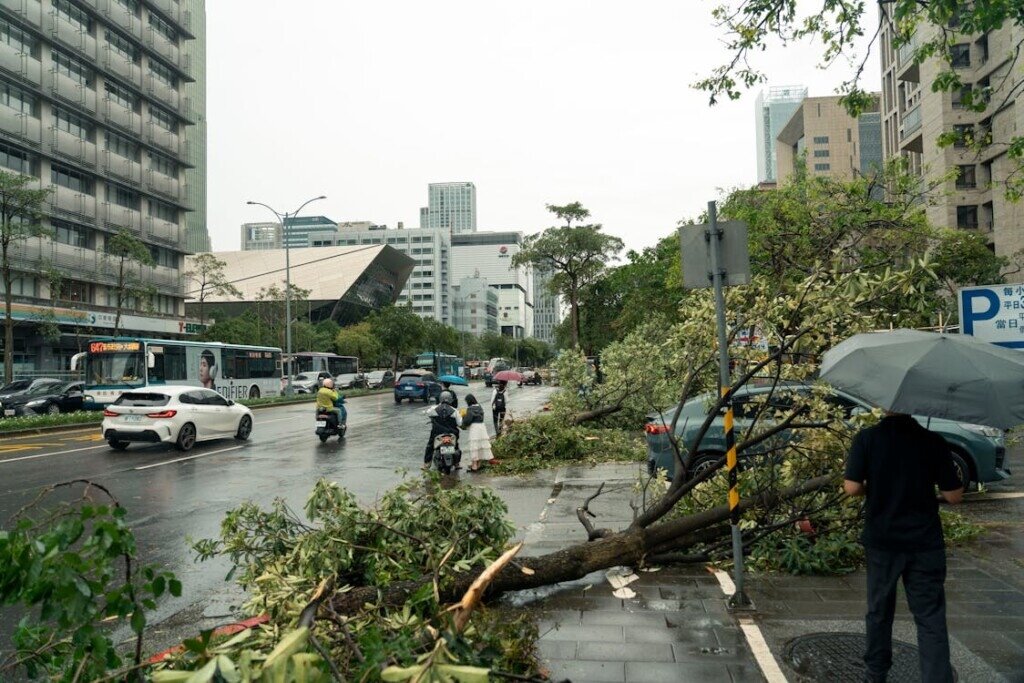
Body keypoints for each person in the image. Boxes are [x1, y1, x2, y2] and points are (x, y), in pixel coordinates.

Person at [844, 412, 964, 683]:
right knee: (929, 616)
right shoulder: (934, 441)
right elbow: (954, 496)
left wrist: (873, 488)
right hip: (925, 543)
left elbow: (851, 487)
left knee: (879, 611)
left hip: (882, 541)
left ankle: (876, 674)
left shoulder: (867, 438)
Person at [424, 392, 462, 469]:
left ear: (440, 399)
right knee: (456, 445)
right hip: (451, 433)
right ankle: (457, 463)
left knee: (430, 446)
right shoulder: (455, 411)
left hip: (437, 434)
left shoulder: (433, 409)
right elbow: (460, 423)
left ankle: (427, 464)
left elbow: (427, 413)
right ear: (451, 400)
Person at [461, 394, 491, 472]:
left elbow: (467, 421)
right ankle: (479, 464)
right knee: (481, 445)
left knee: (474, 446)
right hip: (482, 427)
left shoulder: (470, 409)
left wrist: (463, 420)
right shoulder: (479, 407)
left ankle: (474, 466)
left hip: (474, 428)